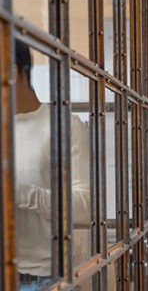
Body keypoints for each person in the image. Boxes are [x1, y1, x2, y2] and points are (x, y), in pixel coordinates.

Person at [13, 40, 91, 291]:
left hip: (45, 280)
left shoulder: (64, 126)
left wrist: (20, 193)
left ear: (11, 73)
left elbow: (84, 206)